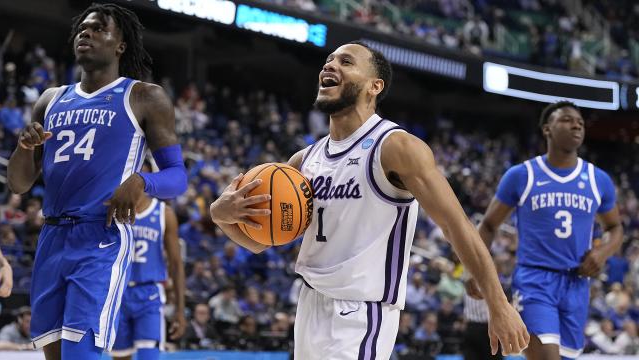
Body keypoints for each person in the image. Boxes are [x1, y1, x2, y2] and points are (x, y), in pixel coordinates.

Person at [209, 41, 529, 359]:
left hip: (361, 314)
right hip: (309, 305)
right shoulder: (303, 160)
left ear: (374, 86)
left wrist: (497, 304)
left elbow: (455, 224)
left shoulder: (395, 147)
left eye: (346, 62)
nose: (330, 65)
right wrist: (220, 214)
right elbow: (259, 243)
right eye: (329, 60)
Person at [6, 3, 187, 359]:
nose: (86, 33)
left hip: (99, 238)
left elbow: (178, 177)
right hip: (51, 238)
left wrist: (141, 182)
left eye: (99, 29)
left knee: (81, 354)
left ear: (120, 45)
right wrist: (24, 149)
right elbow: (18, 184)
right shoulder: (50, 100)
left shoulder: (144, 97)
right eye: (82, 29)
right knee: (55, 355)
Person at [466, 101, 624, 360]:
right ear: (547, 129)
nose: (576, 125)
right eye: (567, 120)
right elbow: (489, 225)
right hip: (534, 280)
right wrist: (476, 270)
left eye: (581, 123)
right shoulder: (521, 175)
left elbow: (615, 228)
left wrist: (602, 253)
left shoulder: (598, 180)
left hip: (577, 284)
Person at [110, 164, 186, 360]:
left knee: (149, 356)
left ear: (150, 176)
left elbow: (176, 265)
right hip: (117, 293)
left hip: (149, 295)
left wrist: (180, 310)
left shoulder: (164, 213)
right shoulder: (111, 208)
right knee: (120, 356)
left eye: (141, 171)